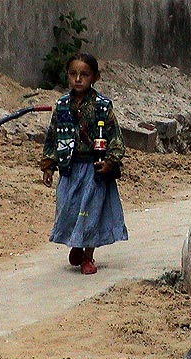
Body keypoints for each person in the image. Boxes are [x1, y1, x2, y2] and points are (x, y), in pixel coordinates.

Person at [40, 52, 128, 275]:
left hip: (94, 170)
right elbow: (53, 136)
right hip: (70, 169)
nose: (78, 79)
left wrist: (110, 161)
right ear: (67, 76)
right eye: (73, 74)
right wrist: (49, 165)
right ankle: (76, 247)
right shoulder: (61, 106)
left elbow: (115, 137)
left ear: (95, 77)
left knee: (91, 212)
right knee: (69, 208)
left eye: (84, 75)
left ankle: (88, 256)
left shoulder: (102, 107)